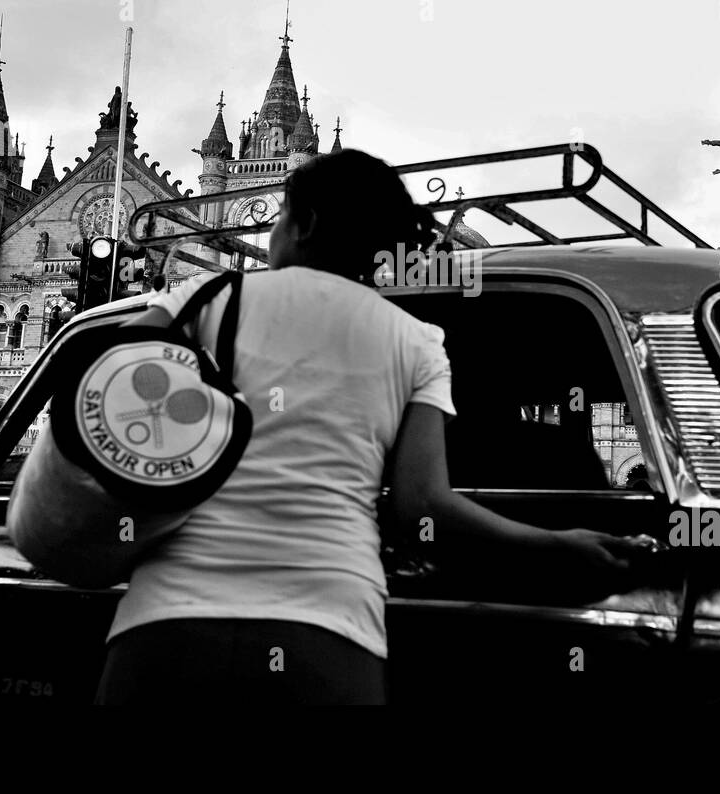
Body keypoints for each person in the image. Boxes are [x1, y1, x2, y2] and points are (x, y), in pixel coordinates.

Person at [94, 149, 637, 705]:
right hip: (328, 636)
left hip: (166, 632)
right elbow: (423, 509)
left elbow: (103, 376)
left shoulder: (206, 300)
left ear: (303, 225)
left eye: (281, 216)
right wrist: (558, 544)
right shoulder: (416, 341)